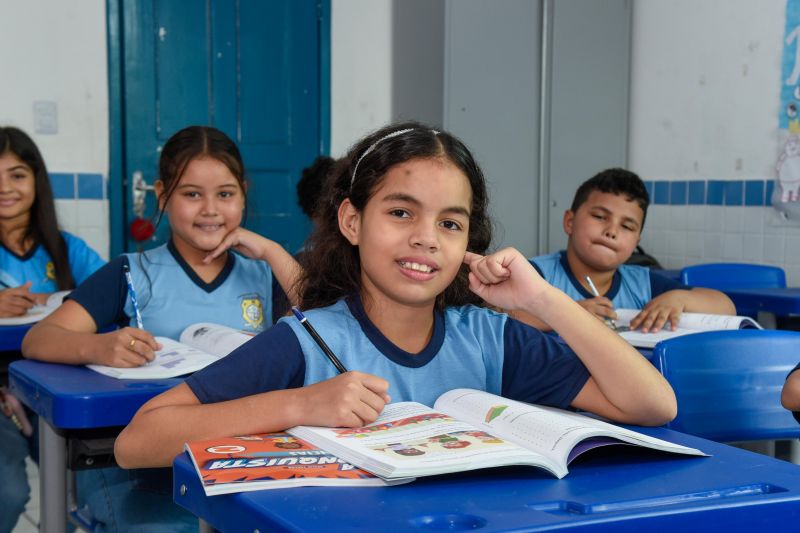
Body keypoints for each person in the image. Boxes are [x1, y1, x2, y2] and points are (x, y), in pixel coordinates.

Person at [113, 122, 677, 470]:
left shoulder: (489, 338)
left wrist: (545, 302)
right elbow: (137, 442)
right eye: (402, 212)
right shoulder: (309, 340)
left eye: (450, 223)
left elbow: (653, 405)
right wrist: (298, 405)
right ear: (352, 221)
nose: (426, 238)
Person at [22, 125, 301, 532]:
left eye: (225, 194)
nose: (210, 210)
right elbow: (39, 339)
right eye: (192, 194)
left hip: (238, 455)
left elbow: (326, 329)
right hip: (138, 463)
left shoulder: (264, 273)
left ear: (243, 194)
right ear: (162, 195)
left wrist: (273, 253)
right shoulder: (131, 273)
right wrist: (99, 346)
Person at [0, 126, 105, 532]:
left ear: (37, 180)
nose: (5, 187)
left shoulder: (66, 248)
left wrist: (47, 301)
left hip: (55, 387)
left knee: (83, 486)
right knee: (8, 492)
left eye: (17, 175)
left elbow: (112, 295)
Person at [526, 168, 734, 333]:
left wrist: (680, 299)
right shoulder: (536, 274)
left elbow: (726, 307)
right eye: (599, 217)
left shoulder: (642, 284)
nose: (612, 231)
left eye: (627, 226)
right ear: (570, 222)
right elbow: (507, 314)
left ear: (636, 243)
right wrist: (566, 314)